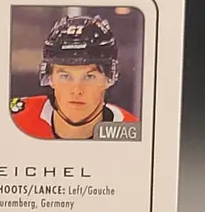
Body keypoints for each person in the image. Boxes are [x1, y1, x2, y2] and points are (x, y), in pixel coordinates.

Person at [10, 15, 138, 139]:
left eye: (89, 77)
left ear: (109, 77)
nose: (76, 90)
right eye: (65, 76)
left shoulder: (131, 131)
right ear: (50, 77)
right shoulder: (15, 120)